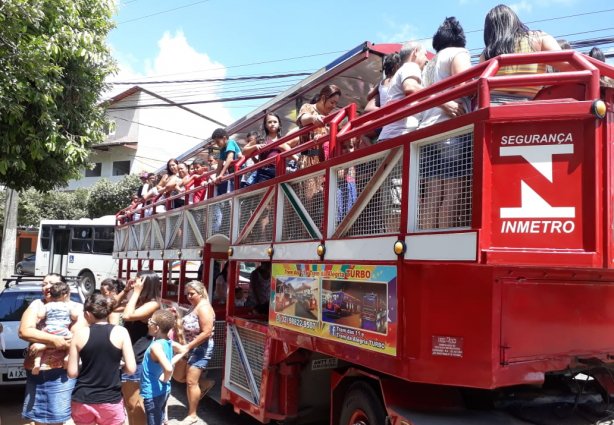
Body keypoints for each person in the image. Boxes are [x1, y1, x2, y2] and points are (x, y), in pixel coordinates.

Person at [417, 17, 473, 230]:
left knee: (432, 194)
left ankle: (427, 242)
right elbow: (465, 83)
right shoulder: (458, 53)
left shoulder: (429, 64)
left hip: (427, 131)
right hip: (449, 128)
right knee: (452, 192)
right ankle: (442, 242)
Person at [19, 273, 86, 425]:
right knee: (36, 418)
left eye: (51, 283)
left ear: (64, 288)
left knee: (61, 417)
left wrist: (44, 343)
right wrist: (55, 340)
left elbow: (75, 340)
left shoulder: (76, 308)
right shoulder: (37, 304)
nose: (47, 287)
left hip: (62, 370)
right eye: (44, 284)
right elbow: (24, 331)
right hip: (35, 369)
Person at [68, 293, 136, 425]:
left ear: (87, 314)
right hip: (110, 398)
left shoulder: (79, 334)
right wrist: (119, 365)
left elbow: (72, 373)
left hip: (83, 398)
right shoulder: (121, 332)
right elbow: (131, 369)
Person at [480, 4, 562, 103]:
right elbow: (570, 66)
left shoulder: (486, 54)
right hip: (529, 106)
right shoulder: (539, 39)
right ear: (514, 21)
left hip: (492, 106)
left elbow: (479, 85)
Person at [120, 270, 162, 425]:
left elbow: (127, 316)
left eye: (139, 280)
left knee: (134, 403)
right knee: (128, 404)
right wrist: (126, 290)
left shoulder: (153, 304)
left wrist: (136, 292)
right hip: (129, 355)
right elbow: (112, 306)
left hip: (139, 357)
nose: (135, 282)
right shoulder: (138, 301)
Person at [172, 281, 216, 425]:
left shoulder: (204, 308)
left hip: (200, 348)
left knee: (191, 382)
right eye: (187, 294)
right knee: (178, 376)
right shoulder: (194, 306)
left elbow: (207, 332)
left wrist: (188, 346)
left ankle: (192, 415)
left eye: (192, 294)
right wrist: (177, 317)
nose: (189, 296)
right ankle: (204, 383)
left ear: (201, 292)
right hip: (189, 347)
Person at [140, 309, 185, 425]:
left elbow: (168, 369)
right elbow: (183, 350)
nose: (148, 323)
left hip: (153, 393)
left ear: (157, 328)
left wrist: (165, 377)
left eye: (150, 321)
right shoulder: (168, 342)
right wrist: (170, 363)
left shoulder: (156, 346)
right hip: (162, 391)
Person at [377, 41, 428, 141]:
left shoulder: (400, 72)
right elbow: (410, 87)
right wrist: (441, 101)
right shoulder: (411, 66)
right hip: (398, 136)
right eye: (425, 55)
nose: (427, 60)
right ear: (416, 52)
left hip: (390, 136)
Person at [29, 280, 81, 375]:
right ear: (65, 295)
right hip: (63, 330)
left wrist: (38, 318)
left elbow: (40, 315)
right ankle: (67, 357)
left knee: (40, 343)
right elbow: (75, 315)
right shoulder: (68, 306)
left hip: (49, 330)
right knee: (72, 342)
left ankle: (37, 363)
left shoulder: (47, 305)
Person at [244, 114, 295, 185]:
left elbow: (290, 153)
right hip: (264, 172)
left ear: (279, 124)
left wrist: (298, 159)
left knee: (280, 193)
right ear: (265, 125)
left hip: (280, 171)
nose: (272, 124)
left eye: (275, 122)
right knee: (266, 193)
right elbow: (244, 151)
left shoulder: (282, 140)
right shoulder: (261, 139)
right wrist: (255, 146)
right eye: (269, 122)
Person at [212, 128, 242, 195]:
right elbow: (220, 163)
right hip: (232, 174)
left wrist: (221, 174)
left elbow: (230, 158)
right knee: (233, 194)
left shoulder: (230, 142)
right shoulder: (223, 149)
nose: (217, 144)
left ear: (224, 138)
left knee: (239, 192)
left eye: (218, 142)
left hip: (240, 172)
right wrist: (217, 177)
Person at [336, 141, 357, 224]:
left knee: (351, 214)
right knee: (341, 213)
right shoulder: (341, 160)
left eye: (350, 147)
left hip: (352, 186)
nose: (348, 150)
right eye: (344, 147)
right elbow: (340, 175)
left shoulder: (356, 159)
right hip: (342, 186)